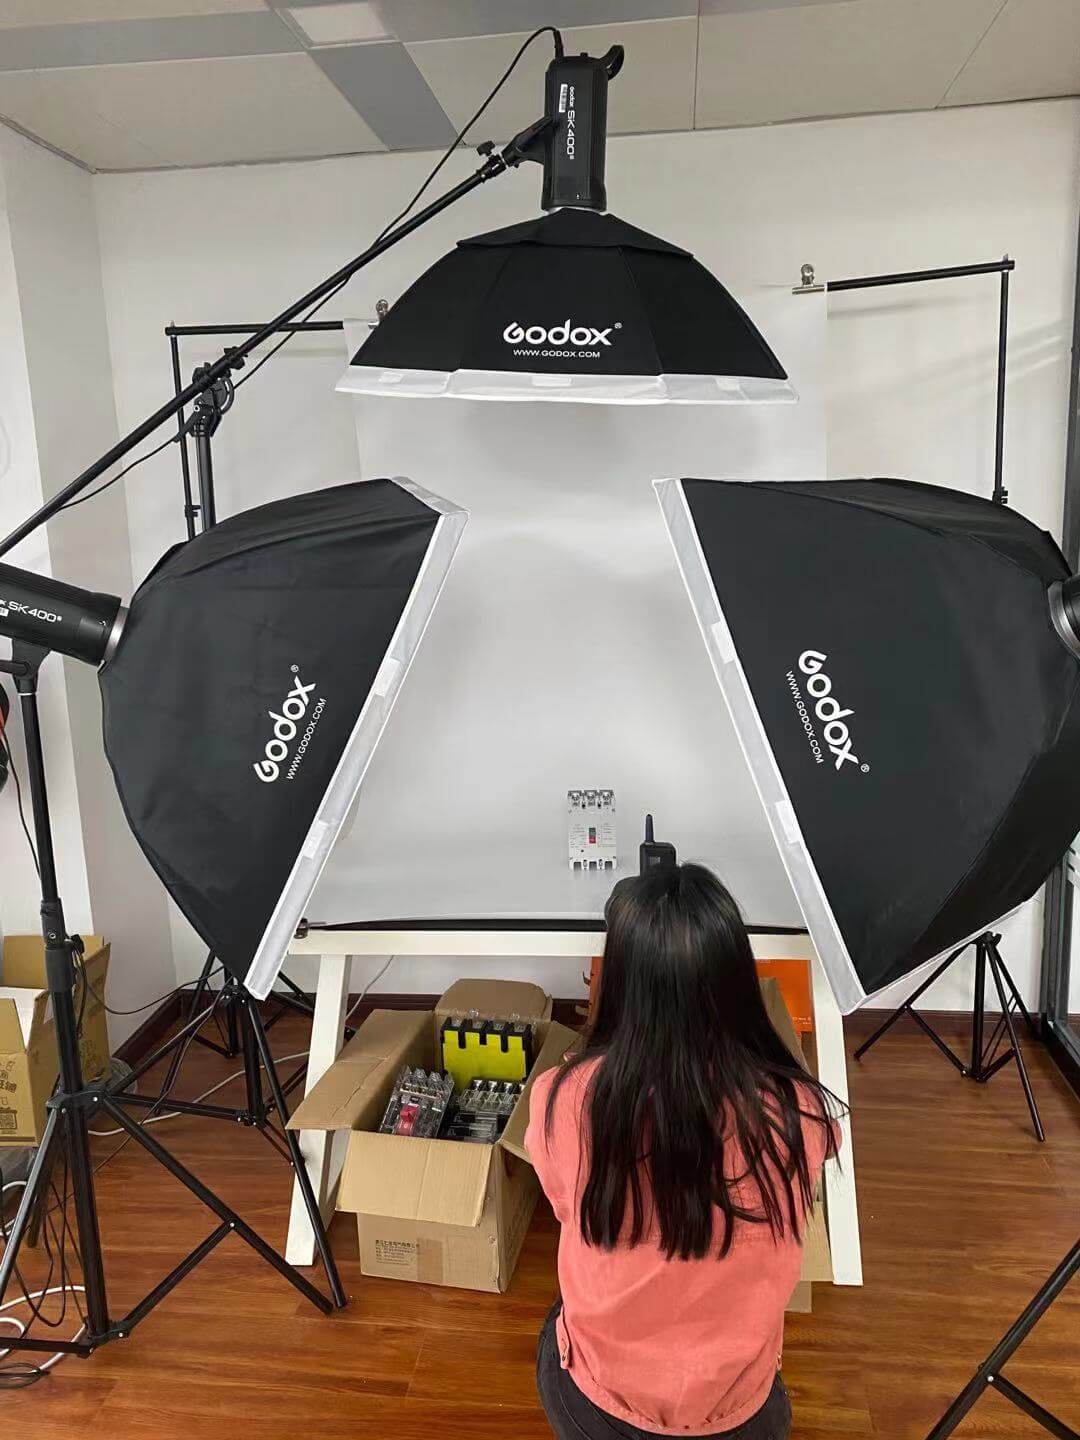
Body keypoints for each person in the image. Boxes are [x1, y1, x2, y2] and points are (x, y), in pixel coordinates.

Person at [525, 862, 842, 1440]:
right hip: (740, 1412)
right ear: (737, 982)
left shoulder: (564, 1100)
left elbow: (565, 1205)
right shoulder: (798, 1110)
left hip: (601, 1407)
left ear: (618, 985)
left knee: (560, 1318)